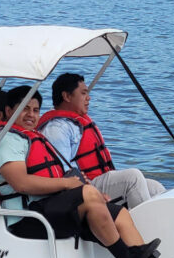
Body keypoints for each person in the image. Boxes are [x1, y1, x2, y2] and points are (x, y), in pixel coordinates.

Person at [0, 85, 174, 258]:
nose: (31, 115)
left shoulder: (32, 137)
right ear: (9, 111)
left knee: (120, 215)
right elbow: (21, 183)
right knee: (89, 195)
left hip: (49, 208)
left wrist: (87, 191)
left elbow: (55, 174)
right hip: (27, 219)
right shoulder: (7, 141)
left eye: (35, 110)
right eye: (24, 109)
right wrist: (69, 185)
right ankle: (126, 257)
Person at [38, 73, 165, 210]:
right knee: (132, 178)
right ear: (67, 96)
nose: (88, 98)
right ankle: (139, 229)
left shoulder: (74, 122)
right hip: (83, 187)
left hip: (96, 180)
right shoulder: (56, 129)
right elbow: (61, 172)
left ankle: (164, 228)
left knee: (154, 187)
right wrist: (89, 190)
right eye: (83, 93)